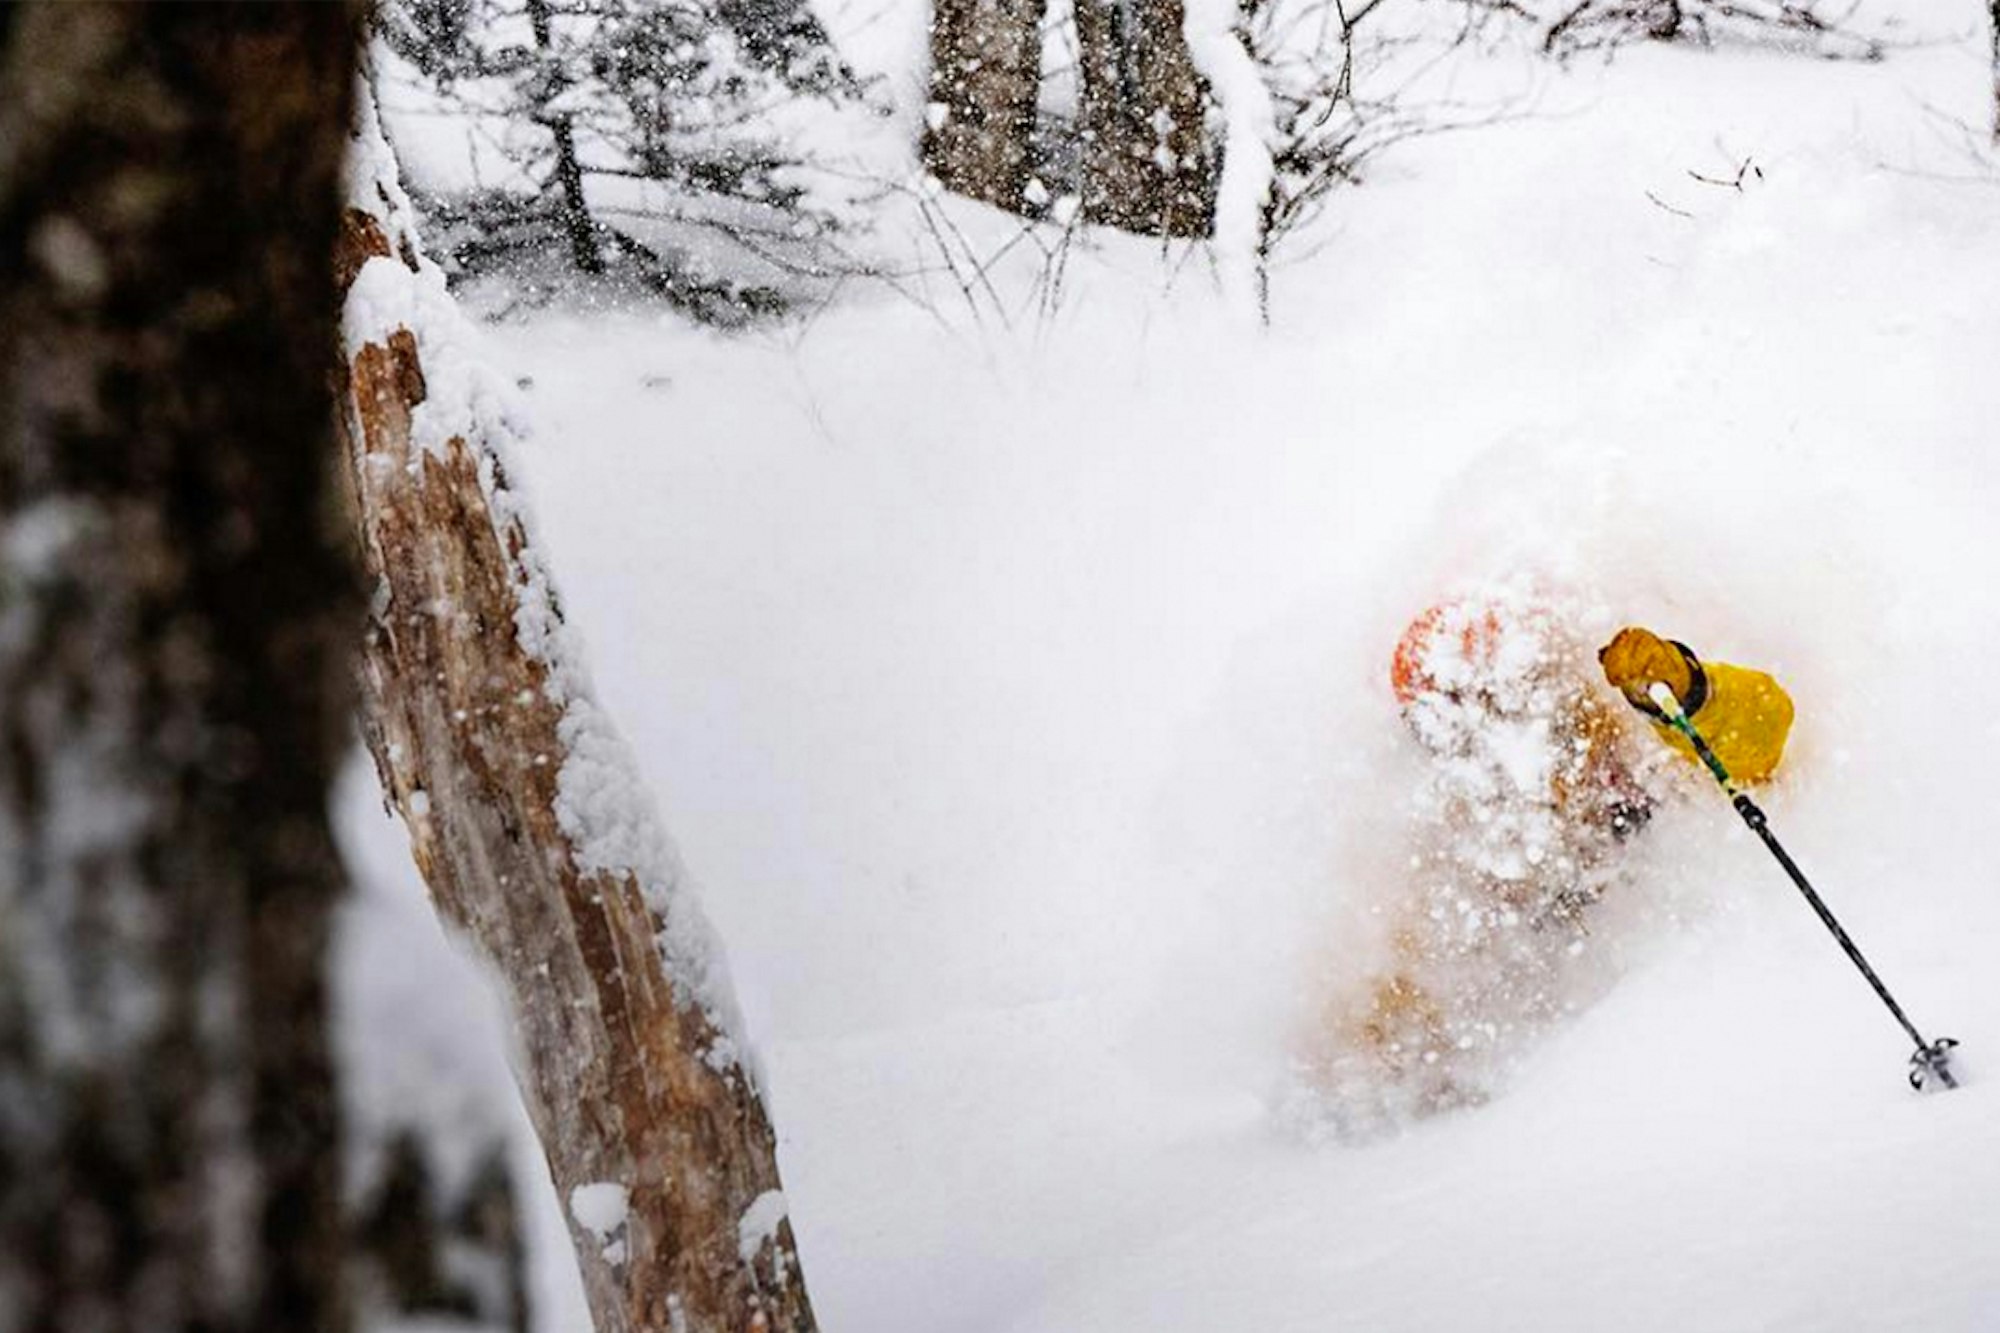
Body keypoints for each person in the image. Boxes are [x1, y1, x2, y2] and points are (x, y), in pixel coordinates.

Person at [1289, 595, 1794, 1139]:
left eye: (1511, 701)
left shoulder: (1633, 739)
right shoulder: (1462, 853)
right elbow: (1405, 998)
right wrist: (1375, 1054)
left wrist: (1690, 692)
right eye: (1453, 726)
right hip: (1578, 1102)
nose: (1500, 739)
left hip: (1718, 1026)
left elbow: (1766, 736)